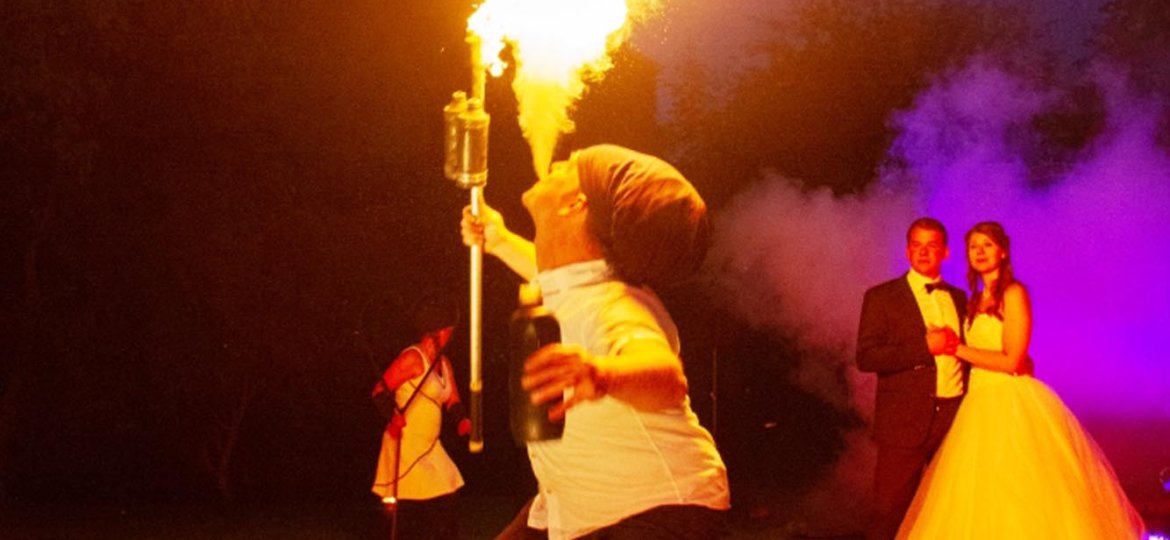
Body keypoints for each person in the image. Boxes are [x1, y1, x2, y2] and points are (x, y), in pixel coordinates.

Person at [461, 144, 730, 539]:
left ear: (576, 205)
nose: (556, 162)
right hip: (583, 504)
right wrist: (499, 241)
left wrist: (602, 374)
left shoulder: (616, 306)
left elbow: (667, 377)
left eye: (571, 166)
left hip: (657, 514)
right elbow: (555, 274)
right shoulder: (583, 285)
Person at [895, 221, 1146, 539]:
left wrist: (955, 347)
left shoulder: (1013, 293)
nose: (980, 252)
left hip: (1009, 401)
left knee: (1019, 490)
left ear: (1002, 252)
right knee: (979, 495)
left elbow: (1013, 358)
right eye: (974, 247)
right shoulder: (974, 300)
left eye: (987, 245)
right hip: (978, 403)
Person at [855, 217, 968, 540]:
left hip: (954, 420)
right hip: (903, 423)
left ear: (945, 252)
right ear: (907, 251)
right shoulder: (881, 296)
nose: (923, 252)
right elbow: (867, 357)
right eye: (916, 245)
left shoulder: (960, 299)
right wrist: (924, 347)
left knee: (948, 510)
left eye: (931, 246)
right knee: (889, 512)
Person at [370, 298, 470, 540]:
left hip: (430, 447)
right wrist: (393, 415)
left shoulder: (444, 364)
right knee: (417, 508)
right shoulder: (413, 359)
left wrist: (462, 421)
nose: (451, 335)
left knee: (448, 489)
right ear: (436, 331)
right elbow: (379, 392)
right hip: (406, 444)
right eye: (448, 330)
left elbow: (452, 400)